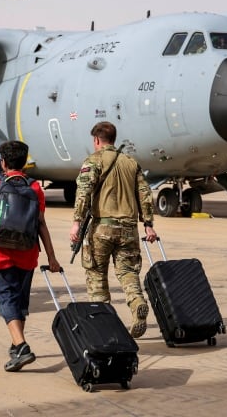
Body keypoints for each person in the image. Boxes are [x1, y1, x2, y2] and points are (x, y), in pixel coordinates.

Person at [0, 140, 60, 372]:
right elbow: (41, 224)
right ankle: (16, 348)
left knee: (5, 299)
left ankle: (22, 346)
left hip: (0, 252)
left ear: (3, 162)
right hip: (27, 253)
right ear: (25, 163)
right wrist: (52, 257)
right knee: (20, 301)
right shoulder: (35, 188)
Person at [69, 121, 157, 338]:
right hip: (128, 229)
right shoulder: (130, 162)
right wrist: (148, 225)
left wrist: (77, 222)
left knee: (97, 274)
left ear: (97, 140)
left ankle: (103, 324)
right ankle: (137, 302)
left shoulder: (93, 161)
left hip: (102, 228)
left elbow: (84, 191)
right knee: (127, 271)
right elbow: (145, 194)